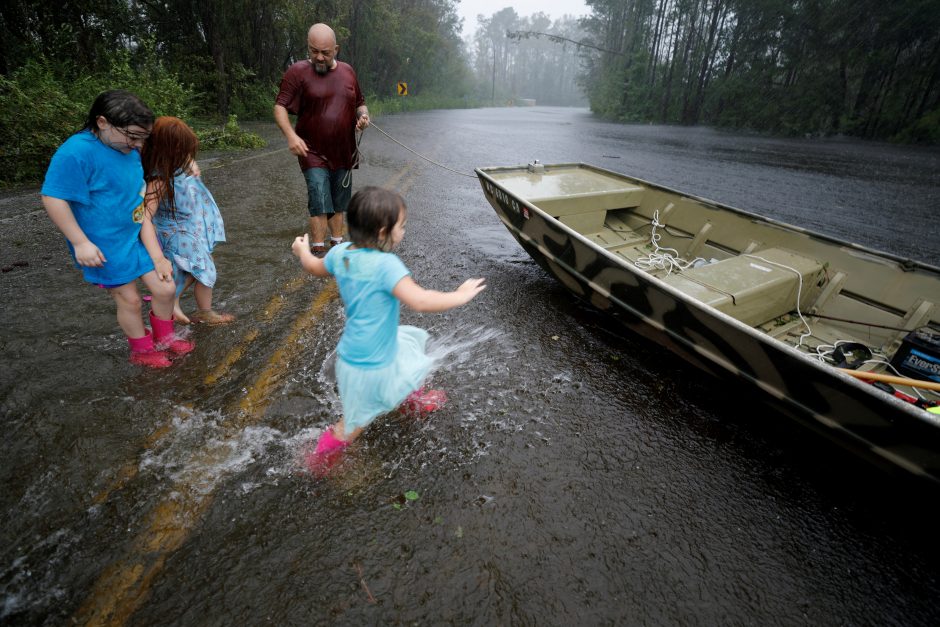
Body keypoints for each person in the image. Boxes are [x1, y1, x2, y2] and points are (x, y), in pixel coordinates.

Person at [291, 187, 486, 472]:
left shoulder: (341, 253)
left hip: (363, 349)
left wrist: (302, 251)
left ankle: (410, 398)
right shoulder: (387, 265)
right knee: (353, 424)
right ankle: (317, 460)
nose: (404, 232)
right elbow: (419, 301)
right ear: (383, 232)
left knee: (405, 353)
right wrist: (459, 295)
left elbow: (313, 267)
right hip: (369, 365)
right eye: (402, 227)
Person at [41, 90, 194, 368]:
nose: (138, 145)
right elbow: (53, 196)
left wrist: (158, 256)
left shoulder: (126, 148)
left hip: (135, 235)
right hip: (102, 245)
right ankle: (143, 350)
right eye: (133, 136)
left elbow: (141, 201)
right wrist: (80, 243)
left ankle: (165, 338)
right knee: (130, 299)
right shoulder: (76, 152)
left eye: (142, 138)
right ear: (102, 122)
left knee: (165, 288)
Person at [274, 22, 371, 257]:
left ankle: (336, 246)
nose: (319, 57)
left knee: (339, 202)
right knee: (319, 196)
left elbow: (360, 103)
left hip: (344, 150)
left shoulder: (348, 71)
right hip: (311, 151)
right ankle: (317, 252)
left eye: (325, 52)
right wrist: (291, 136)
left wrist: (364, 117)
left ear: (335, 49)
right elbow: (279, 107)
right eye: (313, 51)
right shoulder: (297, 72)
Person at [142, 116, 234, 326]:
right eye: (182, 151)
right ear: (169, 149)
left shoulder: (176, 164)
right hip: (177, 234)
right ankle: (182, 304)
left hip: (189, 229)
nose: (186, 155)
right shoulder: (160, 179)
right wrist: (156, 254)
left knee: (195, 268)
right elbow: (146, 214)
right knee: (201, 268)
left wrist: (190, 161)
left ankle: (189, 305)